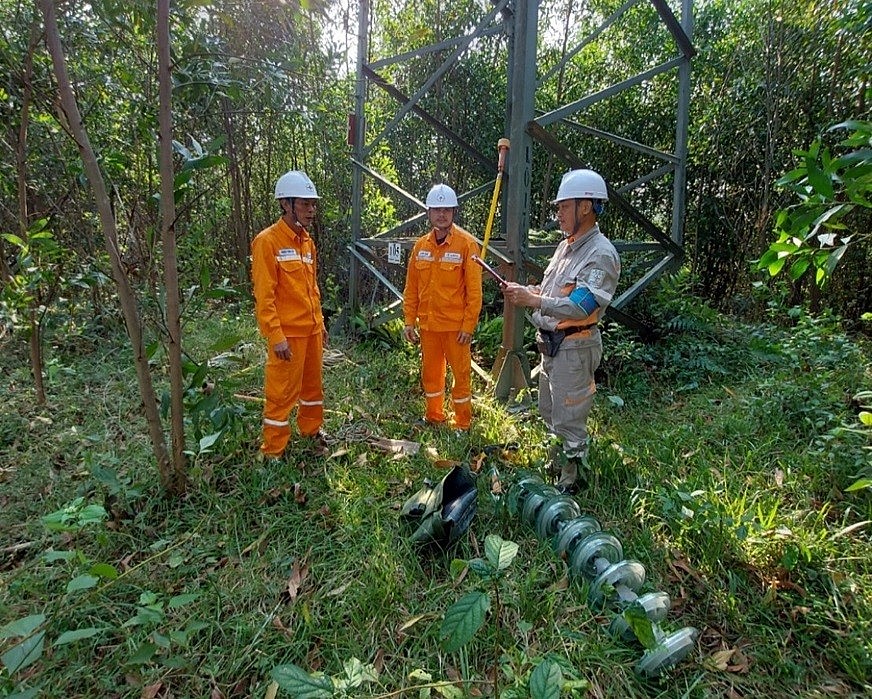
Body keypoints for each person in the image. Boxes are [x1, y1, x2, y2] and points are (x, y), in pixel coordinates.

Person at [502, 169, 620, 493]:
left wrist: (534, 299)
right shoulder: (565, 247)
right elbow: (558, 292)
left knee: (570, 416)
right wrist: (532, 291)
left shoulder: (601, 253)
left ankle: (574, 481)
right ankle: (559, 465)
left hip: (574, 348)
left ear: (586, 207)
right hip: (552, 346)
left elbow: (582, 307)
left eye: (563, 207)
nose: (558, 214)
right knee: (550, 411)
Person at [251, 170, 328, 460]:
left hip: (311, 331)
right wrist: (276, 336)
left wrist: (320, 324)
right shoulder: (267, 242)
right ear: (286, 204)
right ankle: (273, 450)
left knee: (312, 388)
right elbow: (265, 295)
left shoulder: (307, 242)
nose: (311, 210)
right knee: (281, 392)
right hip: (287, 336)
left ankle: (311, 430)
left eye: (313, 204)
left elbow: (312, 288)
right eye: (305, 204)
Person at [403, 184, 483, 431]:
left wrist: (468, 326)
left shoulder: (467, 245)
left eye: (446, 209)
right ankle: (434, 416)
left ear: (454, 212)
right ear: (428, 212)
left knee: (460, 377)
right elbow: (412, 288)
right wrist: (408, 321)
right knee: (431, 375)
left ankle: (462, 423)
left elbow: (475, 292)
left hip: (455, 328)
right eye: (437, 209)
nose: (441, 214)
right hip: (428, 327)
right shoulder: (420, 247)